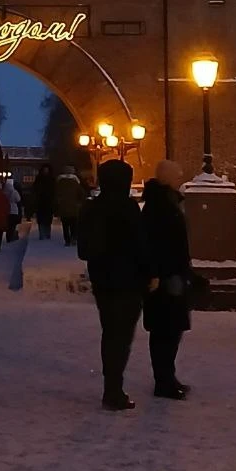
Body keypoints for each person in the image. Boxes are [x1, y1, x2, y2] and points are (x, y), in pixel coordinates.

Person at [77, 160, 148, 411]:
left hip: (102, 281)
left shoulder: (92, 208)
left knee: (110, 333)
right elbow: (141, 246)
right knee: (121, 336)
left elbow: (83, 250)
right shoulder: (128, 208)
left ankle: (112, 386)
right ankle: (113, 390)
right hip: (127, 281)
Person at [141, 161, 192, 400]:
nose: (181, 177)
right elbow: (152, 242)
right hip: (165, 276)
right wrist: (155, 273)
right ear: (166, 178)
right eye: (177, 174)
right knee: (166, 329)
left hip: (172, 272)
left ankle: (167, 377)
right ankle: (163, 381)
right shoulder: (159, 205)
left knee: (171, 328)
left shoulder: (167, 202)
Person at [56, 167, 85, 247]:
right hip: (74, 207)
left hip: (63, 207)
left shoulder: (59, 183)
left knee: (65, 225)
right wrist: (79, 202)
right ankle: (73, 238)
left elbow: (56, 195)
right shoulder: (76, 182)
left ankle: (67, 240)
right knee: (74, 225)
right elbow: (82, 194)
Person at [33, 164, 56, 241]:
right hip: (41, 202)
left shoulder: (51, 179)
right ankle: (42, 234)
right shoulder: (39, 179)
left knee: (47, 220)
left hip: (48, 202)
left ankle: (47, 234)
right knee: (42, 220)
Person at [4, 178, 22, 244]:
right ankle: (12, 237)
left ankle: (8, 237)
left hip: (6, 210)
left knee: (8, 225)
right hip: (14, 210)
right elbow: (19, 200)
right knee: (13, 225)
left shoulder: (4, 192)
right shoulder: (14, 192)